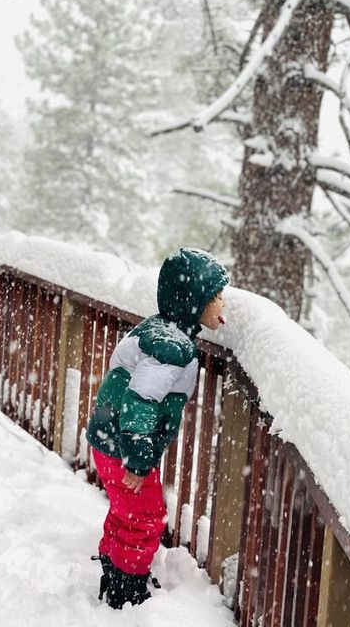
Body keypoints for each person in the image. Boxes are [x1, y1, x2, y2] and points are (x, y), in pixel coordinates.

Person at [86, 246, 229, 610]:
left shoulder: (162, 329)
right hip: (122, 445)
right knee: (146, 516)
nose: (223, 303)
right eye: (216, 296)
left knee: (125, 511)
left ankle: (114, 567)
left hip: (107, 438)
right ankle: (127, 589)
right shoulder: (171, 347)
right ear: (193, 302)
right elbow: (141, 400)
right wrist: (137, 457)